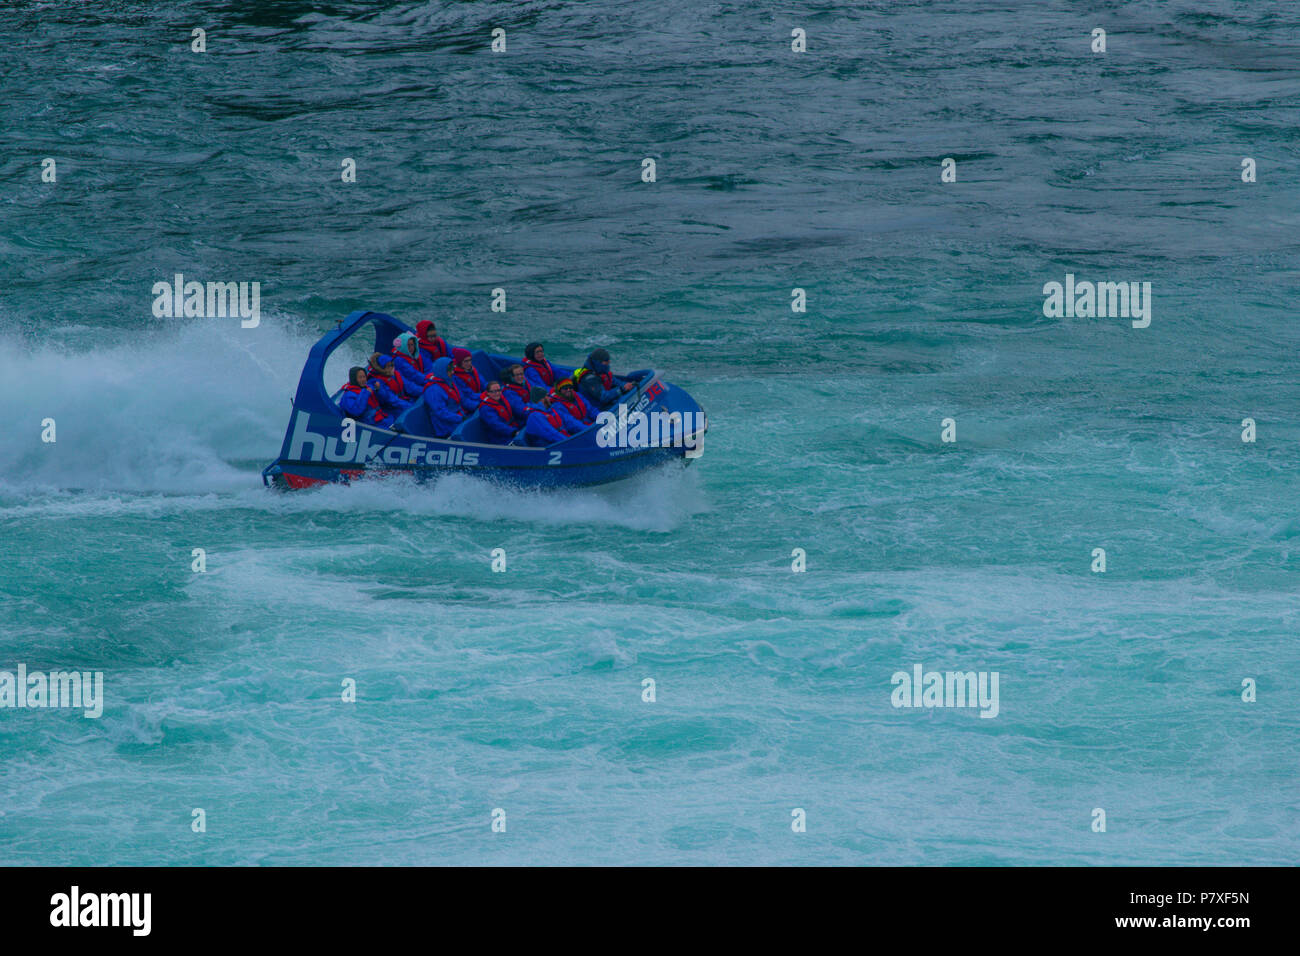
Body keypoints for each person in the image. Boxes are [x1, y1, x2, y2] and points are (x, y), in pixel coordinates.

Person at [419, 357, 466, 438]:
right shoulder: (434, 390)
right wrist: (460, 418)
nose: (452, 372)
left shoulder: (448, 381)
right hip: (445, 428)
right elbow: (441, 412)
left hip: (457, 418)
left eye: (452, 368)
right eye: (449, 370)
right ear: (442, 370)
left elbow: (461, 399)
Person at [391, 333, 431, 398]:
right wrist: (429, 382)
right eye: (408, 345)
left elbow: (428, 366)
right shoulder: (399, 360)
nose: (411, 348)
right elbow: (413, 375)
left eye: (412, 345)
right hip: (410, 391)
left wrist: (431, 378)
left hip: (422, 382)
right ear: (403, 346)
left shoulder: (416, 355)